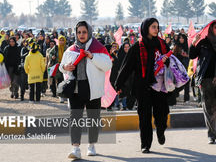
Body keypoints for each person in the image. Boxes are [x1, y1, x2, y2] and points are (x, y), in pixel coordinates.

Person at [115, 18, 170, 153]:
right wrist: (119, 84)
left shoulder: (162, 45)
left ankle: (161, 130)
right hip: (143, 87)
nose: (156, 29)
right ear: (146, 28)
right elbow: (126, 67)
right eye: (153, 27)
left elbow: (171, 61)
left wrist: (166, 61)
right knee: (144, 117)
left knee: (162, 114)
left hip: (160, 86)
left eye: (157, 27)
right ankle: (145, 144)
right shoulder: (137, 47)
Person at [60, 21, 112, 159]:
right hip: (75, 90)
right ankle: (75, 148)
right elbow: (61, 66)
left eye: (84, 32)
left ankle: (91, 145)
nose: (81, 35)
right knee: (75, 119)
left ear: (89, 32)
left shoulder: (98, 47)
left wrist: (92, 56)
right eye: (79, 32)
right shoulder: (71, 49)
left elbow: (107, 65)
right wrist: (65, 67)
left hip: (92, 90)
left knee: (93, 119)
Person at [173, 33, 190, 102]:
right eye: (180, 38)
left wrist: (186, 55)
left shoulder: (187, 47)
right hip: (178, 67)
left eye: (183, 38)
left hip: (186, 66)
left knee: (187, 82)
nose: (181, 39)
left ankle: (186, 98)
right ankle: (176, 94)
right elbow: (173, 56)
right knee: (177, 82)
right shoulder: (176, 46)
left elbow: (191, 56)